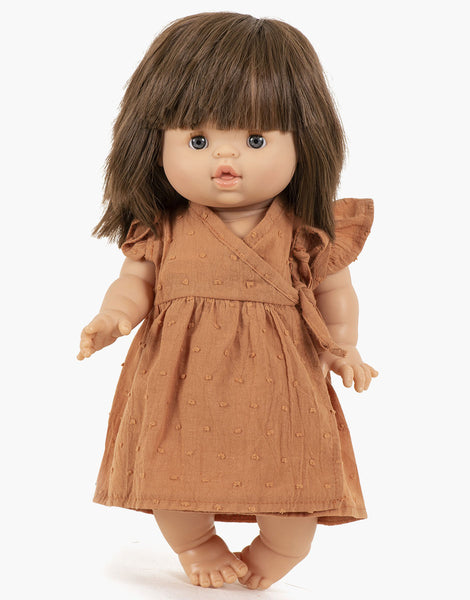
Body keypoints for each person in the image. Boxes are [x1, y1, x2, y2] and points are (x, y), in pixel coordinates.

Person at [78, 12, 378, 590]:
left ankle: (279, 550)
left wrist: (345, 347)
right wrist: (113, 317)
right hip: (178, 380)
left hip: (283, 385)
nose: (226, 159)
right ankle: (194, 543)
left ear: (304, 142)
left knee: (296, 483)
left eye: (255, 140)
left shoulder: (305, 230)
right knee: (173, 471)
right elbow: (135, 282)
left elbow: (335, 290)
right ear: (154, 145)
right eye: (197, 141)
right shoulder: (163, 226)